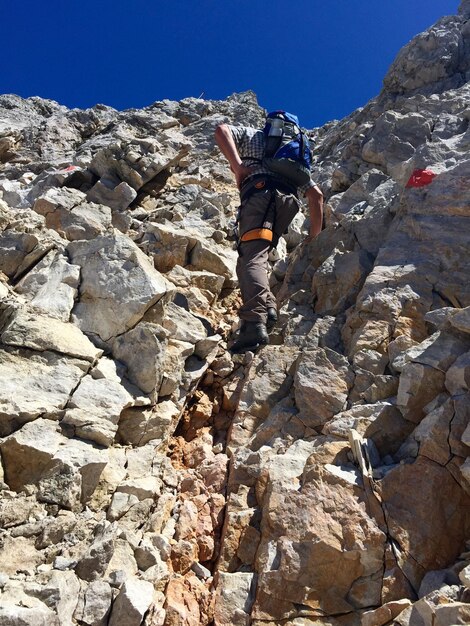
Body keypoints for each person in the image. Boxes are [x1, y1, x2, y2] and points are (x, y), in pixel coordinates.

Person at [215, 115, 323, 353]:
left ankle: (253, 324)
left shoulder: (256, 136)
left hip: (260, 194)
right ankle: (270, 310)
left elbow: (221, 130)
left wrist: (237, 166)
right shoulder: (292, 159)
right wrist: (314, 238)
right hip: (287, 203)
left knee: (250, 257)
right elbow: (316, 197)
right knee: (259, 256)